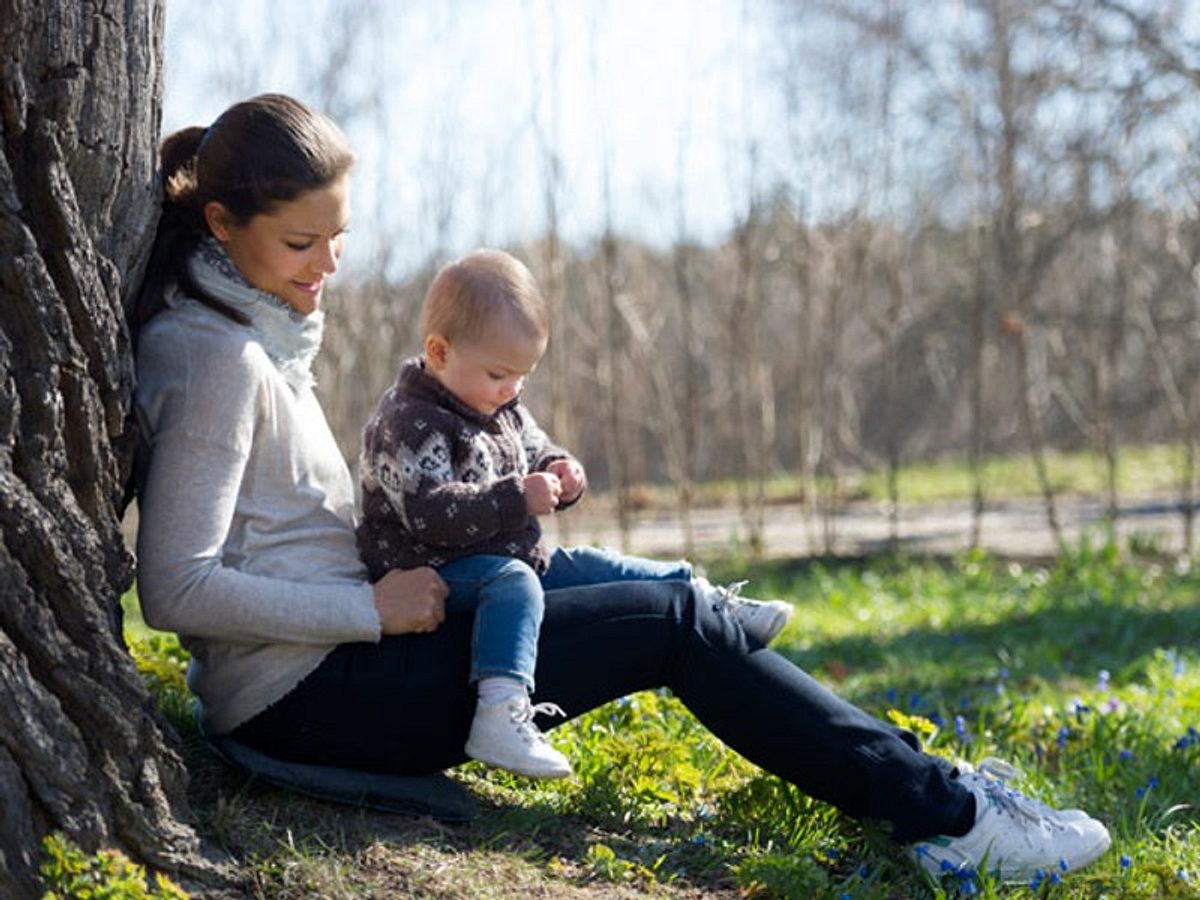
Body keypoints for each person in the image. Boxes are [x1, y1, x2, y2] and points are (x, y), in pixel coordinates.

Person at [131, 93, 1111, 885]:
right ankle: (951, 820)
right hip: (307, 695)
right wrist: (370, 608)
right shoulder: (218, 361)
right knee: (672, 625)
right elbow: (175, 588)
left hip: (352, 654)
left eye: (337, 236)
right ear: (223, 222)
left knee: (669, 600)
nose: (329, 266)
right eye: (302, 245)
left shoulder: (255, 335)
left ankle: (933, 787)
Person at [355, 248, 793, 779]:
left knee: (593, 564)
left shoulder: (498, 403)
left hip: (500, 553)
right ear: (439, 351)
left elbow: (536, 449)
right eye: (500, 373)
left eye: (523, 376)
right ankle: (499, 712)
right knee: (513, 582)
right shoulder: (409, 421)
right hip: (429, 567)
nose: (513, 389)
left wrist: (561, 469)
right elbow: (430, 514)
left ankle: (707, 602)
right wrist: (517, 497)